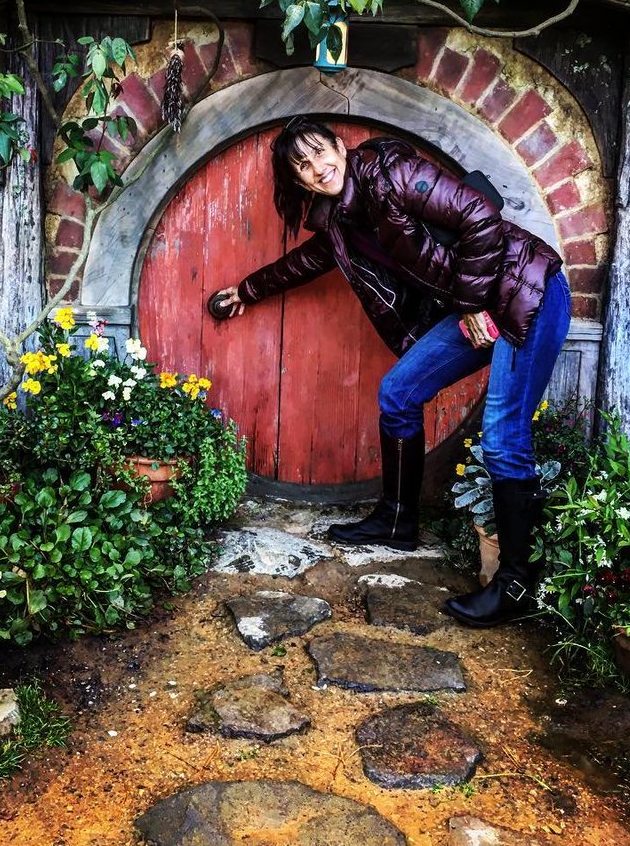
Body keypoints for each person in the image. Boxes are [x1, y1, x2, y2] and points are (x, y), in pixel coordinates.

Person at [213, 116, 571, 628]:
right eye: (303, 166)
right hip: (475, 303)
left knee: (503, 438)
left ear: (341, 146)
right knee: (399, 393)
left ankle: (515, 583)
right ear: (299, 181)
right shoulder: (341, 222)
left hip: (523, 291)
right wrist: (247, 290)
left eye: (320, 152)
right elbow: (310, 260)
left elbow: (480, 216)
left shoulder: (392, 172)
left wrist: (472, 305)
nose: (318, 168)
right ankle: (398, 520)